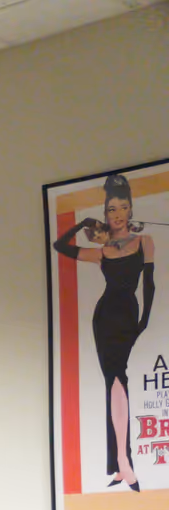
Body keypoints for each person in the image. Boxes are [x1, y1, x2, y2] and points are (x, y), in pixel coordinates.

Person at [54, 172, 156, 490]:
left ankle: (119, 464)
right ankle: (122, 465)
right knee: (115, 382)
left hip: (129, 315)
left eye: (122, 207)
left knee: (118, 382)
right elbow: (60, 246)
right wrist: (81, 221)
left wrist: (145, 320)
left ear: (130, 209)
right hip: (105, 318)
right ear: (105, 213)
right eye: (111, 209)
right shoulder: (102, 251)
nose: (117, 214)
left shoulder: (144, 242)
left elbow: (149, 284)